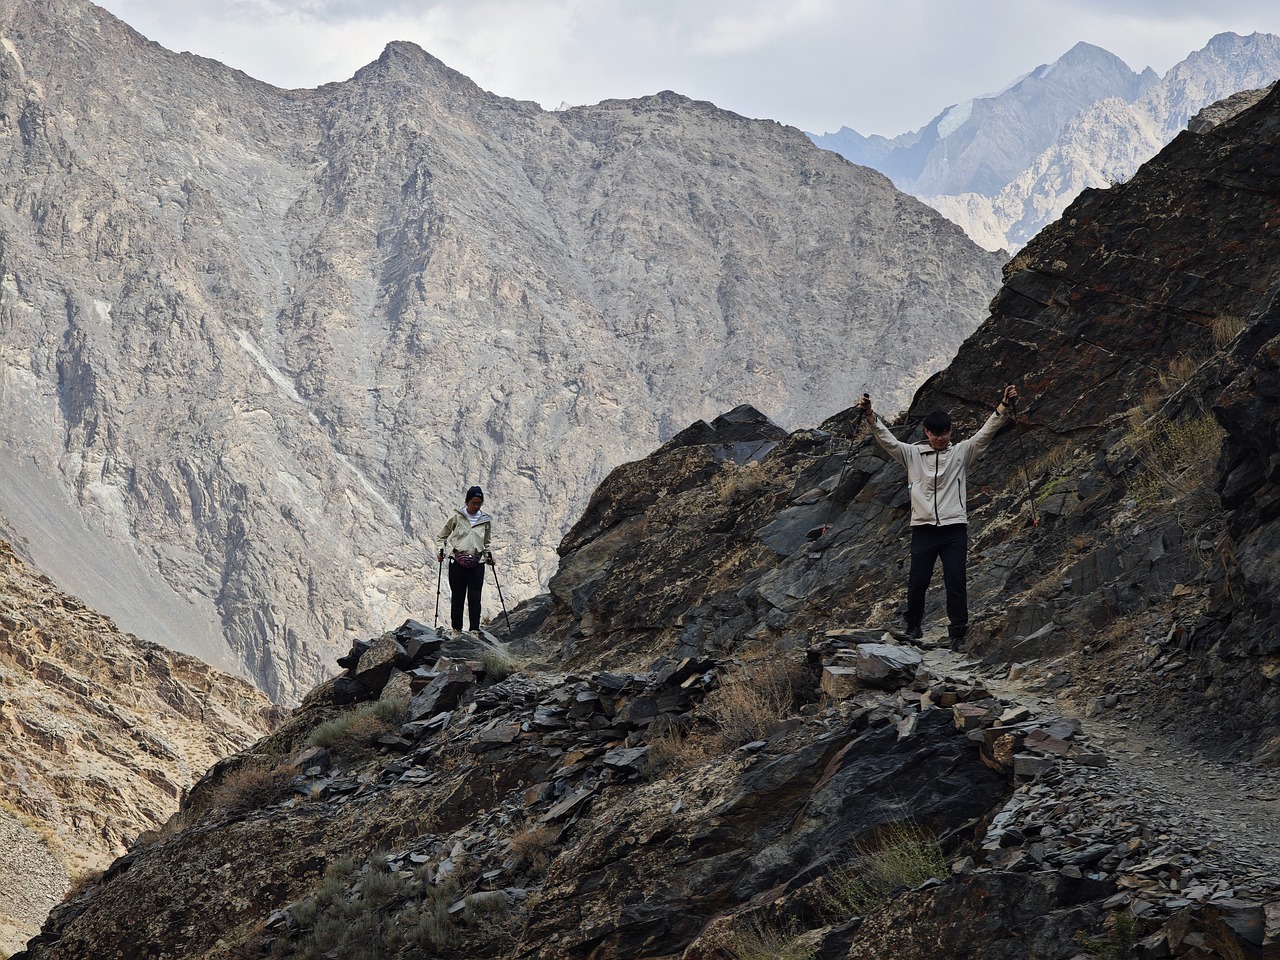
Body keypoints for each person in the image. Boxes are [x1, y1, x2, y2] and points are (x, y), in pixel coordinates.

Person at [858, 385, 1019, 650]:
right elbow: (888, 440)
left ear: (950, 432)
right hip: (923, 528)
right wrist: (871, 416)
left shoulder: (961, 452)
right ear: (927, 433)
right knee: (917, 580)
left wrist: (1003, 406)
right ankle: (913, 626)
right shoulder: (911, 454)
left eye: (944, 434)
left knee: (955, 579)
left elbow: (986, 433)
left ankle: (958, 632)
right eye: (935, 434)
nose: (940, 438)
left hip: (954, 527)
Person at [436, 485, 493, 635]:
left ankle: (474, 629)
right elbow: (442, 536)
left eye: (479, 503)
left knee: (475, 597)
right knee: (458, 596)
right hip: (457, 560)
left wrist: (488, 556)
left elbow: (486, 543)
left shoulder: (485, 521)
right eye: (473, 503)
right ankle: (457, 629)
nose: (476, 506)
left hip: (477, 562)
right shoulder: (457, 517)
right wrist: (440, 550)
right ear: (467, 502)